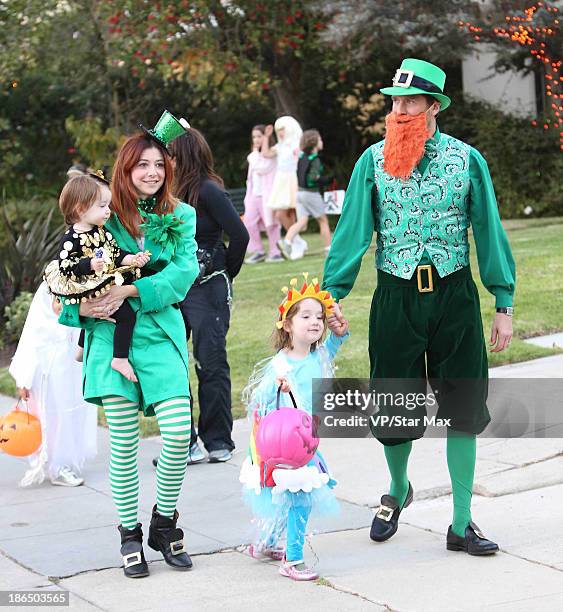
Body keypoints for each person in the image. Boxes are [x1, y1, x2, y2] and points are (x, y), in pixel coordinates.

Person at [322, 58, 516, 556]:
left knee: (464, 408)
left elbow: (489, 232)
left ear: (433, 107)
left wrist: (504, 301)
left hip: (454, 296)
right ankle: (399, 487)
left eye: (410, 102)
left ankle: (461, 522)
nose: (399, 109)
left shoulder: (467, 159)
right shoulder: (372, 160)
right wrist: (330, 296)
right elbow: (352, 234)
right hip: (396, 296)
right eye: (394, 102)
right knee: (394, 407)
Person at [58, 110, 199, 578]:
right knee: (122, 444)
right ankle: (129, 536)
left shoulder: (183, 216)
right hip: (108, 340)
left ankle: (163, 522)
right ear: (126, 168)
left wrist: (130, 290)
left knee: (178, 433)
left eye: (159, 163)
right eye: (142, 164)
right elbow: (69, 276)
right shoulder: (100, 213)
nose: (152, 172)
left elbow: (181, 275)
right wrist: (81, 309)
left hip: (160, 335)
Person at [240, 274, 349, 580]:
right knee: (300, 497)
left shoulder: (319, 354)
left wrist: (339, 323)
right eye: (305, 316)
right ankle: (293, 559)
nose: (315, 322)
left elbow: (338, 338)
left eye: (319, 317)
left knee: (288, 496)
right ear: (287, 325)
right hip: (287, 445)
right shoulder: (280, 365)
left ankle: (264, 543)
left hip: (307, 440)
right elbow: (263, 405)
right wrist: (281, 390)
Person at [170, 127, 249, 463]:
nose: (164, 162)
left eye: (170, 155)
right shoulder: (166, 195)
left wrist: (224, 271)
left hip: (208, 289)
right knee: (172, 363)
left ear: (183, 156)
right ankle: (183, 441)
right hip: (175, 289)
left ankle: (217, 440)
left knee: (210, 361)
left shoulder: (208, 191)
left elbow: (240, 236)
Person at [45, 174, 150, 381]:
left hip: (99, 281)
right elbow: (65, 265)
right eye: (102, 206)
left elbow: (115, 253)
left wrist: (132, 259)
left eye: (108, 205)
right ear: (81, 209)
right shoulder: (71, 238)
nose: (108, 210)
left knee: (99, 309)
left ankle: (82, 348)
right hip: (82, 284)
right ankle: (119, 358)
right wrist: (89, 265)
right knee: (126, 315)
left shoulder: (101, 233)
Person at [9, 282, 97, 488]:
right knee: (54, 413)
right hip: (48, 362)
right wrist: (24, 377)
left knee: (72, 410)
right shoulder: (52, 283)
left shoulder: (83, 281)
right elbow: (33, 332)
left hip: (71, 357)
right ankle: (55, 465)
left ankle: (63, 461)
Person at [278, 129, 332, 260]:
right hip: (310, 194)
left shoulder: (301, 157)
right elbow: (314, 178)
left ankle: (287, 242)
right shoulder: (315, 160)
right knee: (323, 221)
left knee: (302, 221)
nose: (321, 141)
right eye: (319, 139)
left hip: (299, 194)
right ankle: (329, 249)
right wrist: (327, 179)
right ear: (314, 143)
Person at [263, 116, 308, 259]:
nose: (280, 133)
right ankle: (297, 241)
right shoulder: (280, 146)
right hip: (282, 182)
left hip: (294, 180)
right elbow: (266, 153)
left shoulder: (298, 144)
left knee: (295, 213)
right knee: (280, 214)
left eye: (282, 129)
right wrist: (266, 137)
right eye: (278, 130)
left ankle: (296, 242)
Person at [243, 124, 283, 264]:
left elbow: (262, 168)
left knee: (271, 224)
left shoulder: (272, 153)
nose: (256, 139)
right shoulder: (254, 156)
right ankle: (258, 251)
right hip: (253, 195)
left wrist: (254, 154)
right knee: (249, 222)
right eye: (254, 137)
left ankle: (276, 252)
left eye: (259, 136)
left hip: (268, 195)